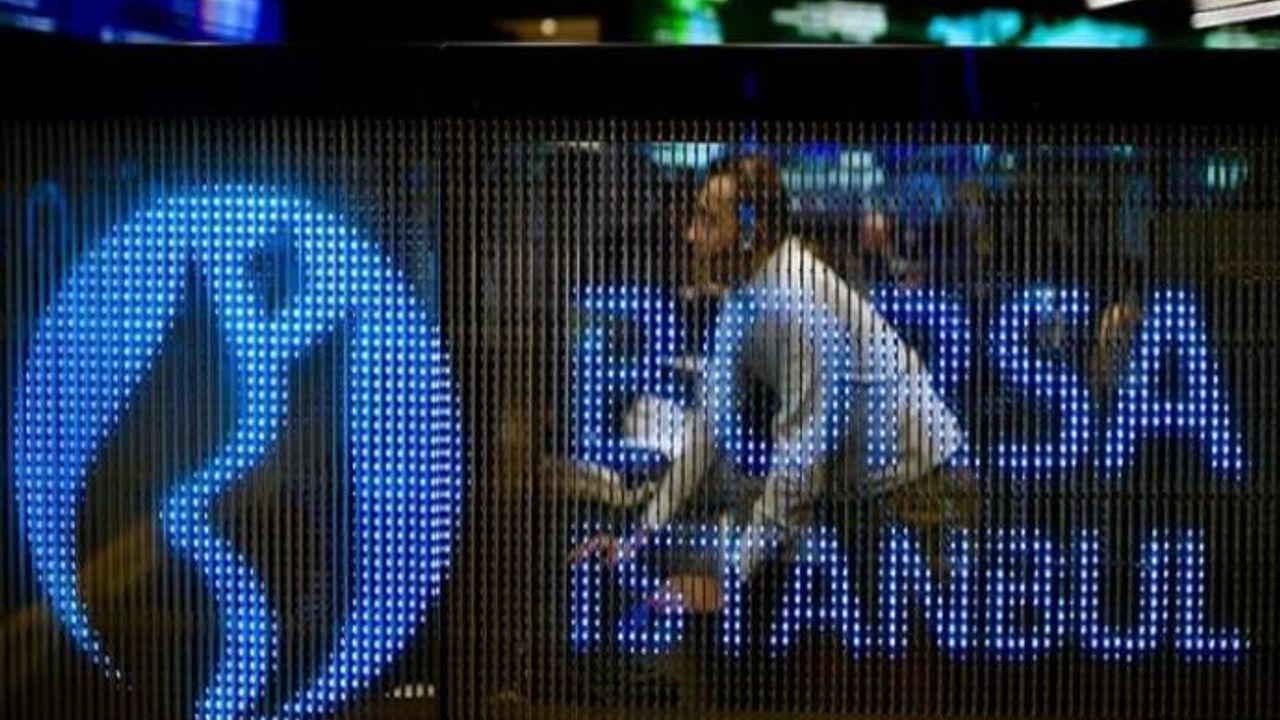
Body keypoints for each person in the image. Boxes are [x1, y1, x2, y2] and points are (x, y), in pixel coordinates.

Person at [571, 154, 974, 617]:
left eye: (707, 219)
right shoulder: (746, 298)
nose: (691, 235)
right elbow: (707, 432)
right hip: (875, 492)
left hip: (921, 493)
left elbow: (799, 466)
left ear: (750, 231)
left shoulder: (794, 303)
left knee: (908, 655)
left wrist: (726, 585)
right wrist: (635, 540)